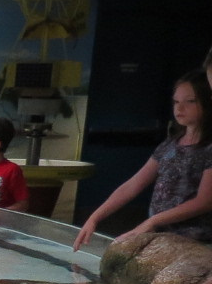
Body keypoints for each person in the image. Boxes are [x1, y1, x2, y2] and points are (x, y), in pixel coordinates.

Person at [72, 72, 212, 250]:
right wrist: (95, 217)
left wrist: (153, 221)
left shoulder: (208, 149)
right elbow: (133, 185)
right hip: (161, 237)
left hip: (195, 241)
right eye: (176, 102)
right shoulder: (169, 145)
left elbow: (205, 201)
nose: (180, 108)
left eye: (190, 101)